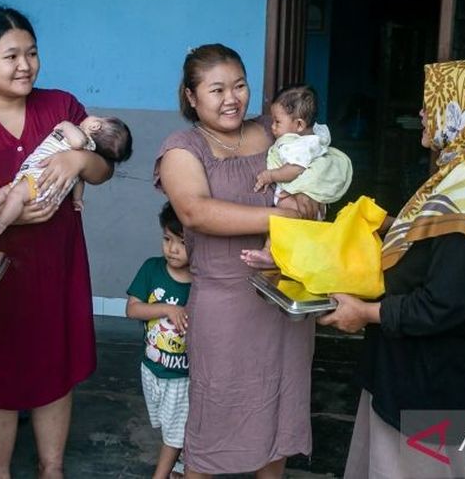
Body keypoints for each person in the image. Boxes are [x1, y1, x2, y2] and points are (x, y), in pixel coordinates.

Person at [317, 60, 465, 479]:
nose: (425, 112)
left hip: (427, 389)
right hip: (410, 376)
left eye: (435, 103)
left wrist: (364, 313)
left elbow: (443, 304)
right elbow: (438, 249)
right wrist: (391, 225)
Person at [0, 6, 114, 479]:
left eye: (31, 53)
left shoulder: (61, 107)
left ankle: (52, 469)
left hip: (56, 266)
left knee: (56, 374)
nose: (25, 65)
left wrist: (76, 163)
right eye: (10, 56)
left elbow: (104, 167)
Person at [155, 43, 320, 478]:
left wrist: (309, 202)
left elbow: (317, 177)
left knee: (279, 418)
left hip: (283, 297)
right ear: (191, 96)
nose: (232, 98)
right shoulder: (182, 148)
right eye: (216, 89)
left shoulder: (273, 132)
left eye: (240, 85)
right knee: (214, 421)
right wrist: (281, 213)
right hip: (225, 305)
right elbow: (196, 211)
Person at [240, 84, 352, 269]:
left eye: (277, 122)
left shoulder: (297, 146)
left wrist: (270, 175)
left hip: (297, 199)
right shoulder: (310, 138)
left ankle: (270, 252)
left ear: (299, 124)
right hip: (313, 203)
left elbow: (294, 169)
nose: (273, 127)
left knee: (282, 219)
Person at [125, 202, 193, 479]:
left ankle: (161, 475)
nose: (172, 249)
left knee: (175, 432)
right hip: (151, 369)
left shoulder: (202, 284)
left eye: (182, 243)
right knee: (168, 426)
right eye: (167, 239)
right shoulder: (152, 269)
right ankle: (183, 462)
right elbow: (133, 309)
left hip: (182, 376)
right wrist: (167, 308)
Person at [0, 115, 132, 236]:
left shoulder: (80, 137)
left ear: (95, 126)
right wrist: (77, 199)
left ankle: (0, 224)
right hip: (30, 178)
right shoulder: (87, 149)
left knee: (15, 194)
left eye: (100, 118)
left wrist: (66, 124)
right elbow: (79, 181)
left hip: (39, 182)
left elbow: (78, 142)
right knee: (6, 193)